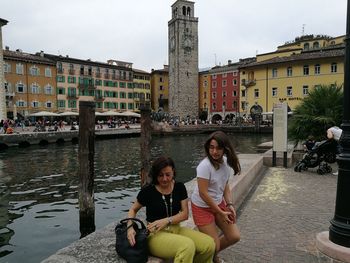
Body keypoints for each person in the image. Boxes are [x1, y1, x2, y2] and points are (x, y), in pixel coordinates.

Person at [127, 156, 215, 263]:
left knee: (209, 244)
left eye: (168, 174)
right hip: (155, 234)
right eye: (160, 175)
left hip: (176, 229)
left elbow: (185, 214)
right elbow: (133, 209)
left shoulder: (179, 187)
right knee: (186, 247)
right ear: (155, 175)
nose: (164, 179)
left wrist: (166, 220)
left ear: (173, 172)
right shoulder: (148, 191)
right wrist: (130, 228)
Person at [191, 131, 241, 263]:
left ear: (225, 148)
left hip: (218, 203)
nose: (214, 151)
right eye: (211, 147)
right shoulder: (204, 166)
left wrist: (229, 204)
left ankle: (209, 253)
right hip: (202, 206)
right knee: (215, 245)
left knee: (234, 236)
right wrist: (220, 212)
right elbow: (203, 193)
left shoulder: (226, 163)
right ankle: (211, 256)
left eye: (218, 148)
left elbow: (225, 186)